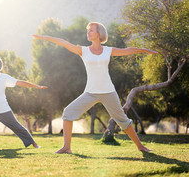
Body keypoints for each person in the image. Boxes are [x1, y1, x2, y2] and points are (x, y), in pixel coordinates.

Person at [33, 22, 156, 154]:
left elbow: (128, 51)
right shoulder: (83, 50)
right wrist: (45, 38)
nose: (88, 32)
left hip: (108, 91)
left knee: (123, 121)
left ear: (99, 33)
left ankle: (140, 146)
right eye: (88, 30)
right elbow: (63, 42)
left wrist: (145, 50)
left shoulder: (108, 50)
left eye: (91, 30)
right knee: (68, 113)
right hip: (90, 92)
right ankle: (66, 147)